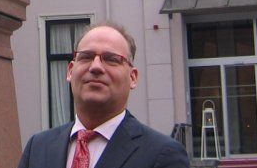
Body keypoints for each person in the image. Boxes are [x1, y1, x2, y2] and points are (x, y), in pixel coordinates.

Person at [18, 22, 190, 168]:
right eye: (86, 57)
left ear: (133, 77)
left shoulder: (163, 154)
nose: (96, 67)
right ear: (70, 71)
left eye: (111, 59)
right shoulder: (38, 148)